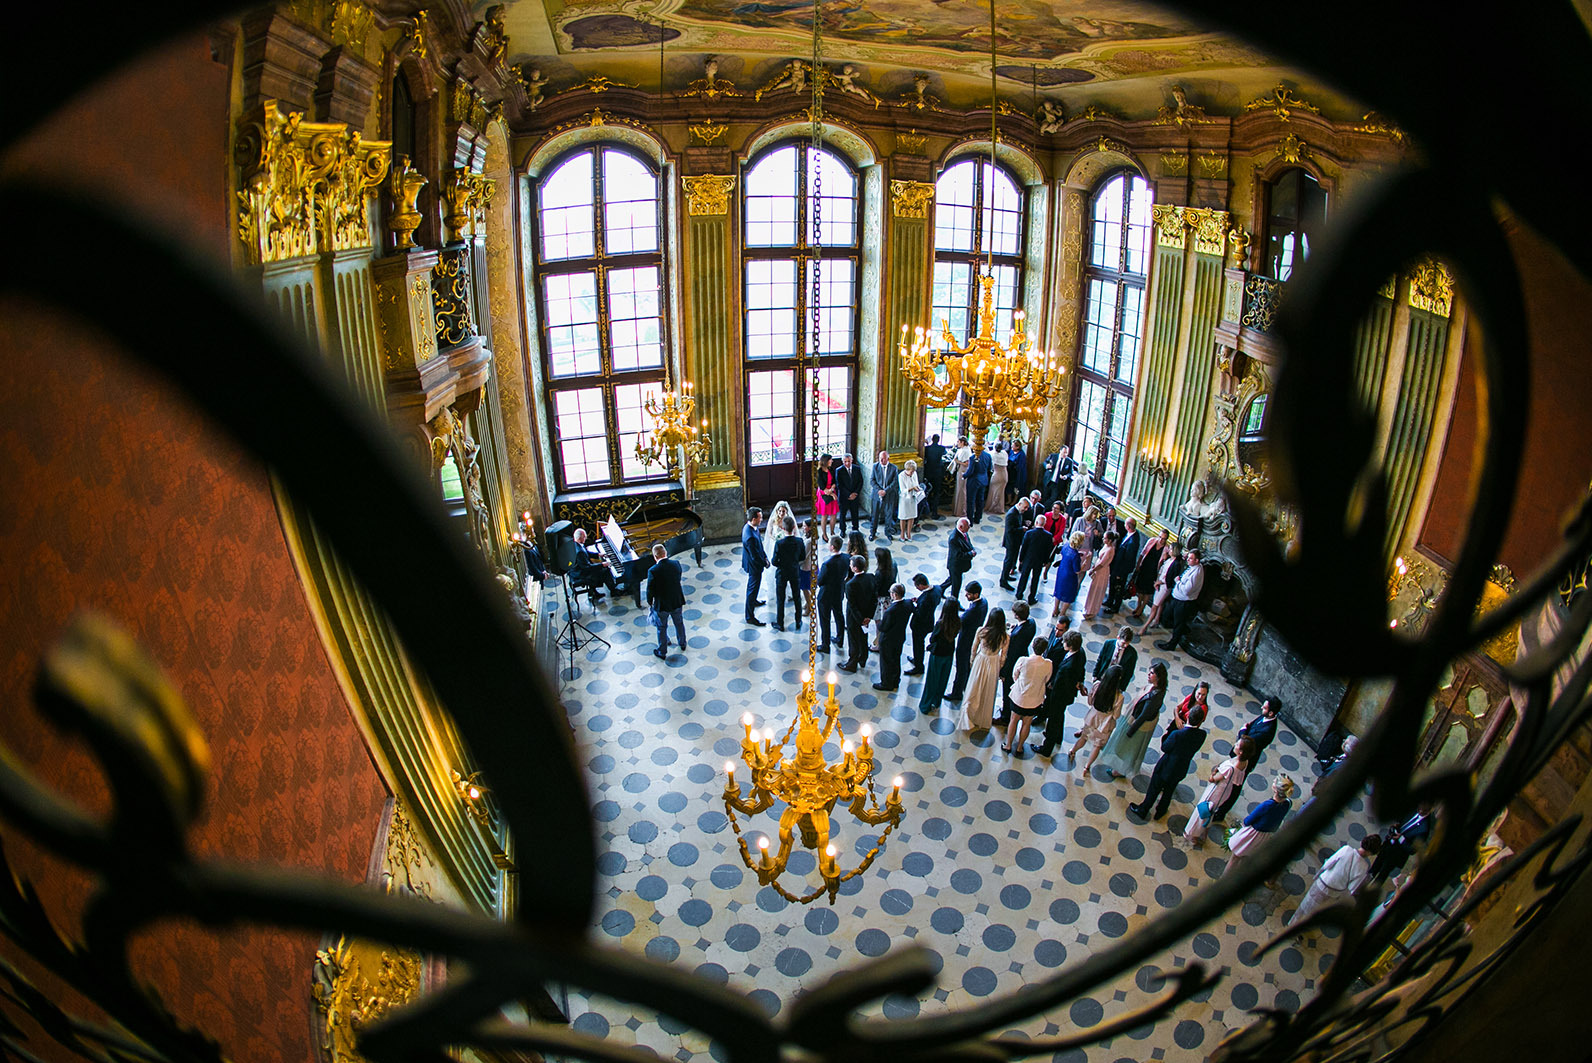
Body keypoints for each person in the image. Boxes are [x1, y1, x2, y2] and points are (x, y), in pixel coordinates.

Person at [1289, 835, 1382, 928]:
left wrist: (1318, 874)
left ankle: (1292, 925)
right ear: (1371, 853)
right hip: (1334, 892)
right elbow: (1352, 888)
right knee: (1317, 912)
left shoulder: (1346, 849)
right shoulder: (1364, 867)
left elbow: (1329, 863)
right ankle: (1304, 927)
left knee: (1306, 905)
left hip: (1323, 882)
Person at [1129, 713, 1209, 821]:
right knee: (1169, 790)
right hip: (1181, 768)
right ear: (1200, 722)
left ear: (1188, 717)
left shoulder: (1177, 734)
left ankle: (1143, 810)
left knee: (1154, 788)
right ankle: (1161, 811)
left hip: (1166, 766)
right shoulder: (1202, 734)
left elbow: (1165, 747)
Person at [1097, 662, 1169, 779]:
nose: (1148, 675)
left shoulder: (1156, 695)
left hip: (1138, 725)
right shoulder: (1155, 688)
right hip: (1134, 717)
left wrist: (1131, 730)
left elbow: (1144, 715)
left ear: (1159, 677)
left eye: (1152, 673)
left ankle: (1121, 771)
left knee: (1129, 747)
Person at [1185, 737, 1257, 844]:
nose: (1235, 745)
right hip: (1226, 791)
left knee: (1203, 810)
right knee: (1211, 812)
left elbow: (1213, 779)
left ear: (1241, 752)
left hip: (1216, 790)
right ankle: (1204, 832)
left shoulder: (1230, 768)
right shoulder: (1245, 762)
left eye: (1237, 745)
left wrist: (1213, 773)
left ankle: (1192, 833)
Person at [1223, 775, 1296, 877]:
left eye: (1274, 782)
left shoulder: (1267, 805)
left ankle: (1224, 879)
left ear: (1275, 789)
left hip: (1253, 834)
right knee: (1246, 857)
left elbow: (1249, 820)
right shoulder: (1288, 803)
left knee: (1235, 857)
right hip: (1266, 835)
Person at [1032, 629, 1087, 757]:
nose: (1062, 644)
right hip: (1064, 693)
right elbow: (1081, 670)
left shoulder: (1069, 666)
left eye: (1064, 642)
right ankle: (1058, 737)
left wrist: (1051, 687)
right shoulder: (1080, 652)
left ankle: (1046, 748)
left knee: (1053, 720)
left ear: (1070, 645)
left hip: (1060, 695)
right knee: (1059, 716)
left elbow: (1063, 684)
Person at [1066, 661, 1127, 773]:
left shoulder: (1097, 685)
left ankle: (1072, 751)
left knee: (1084, 737)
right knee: (1097, 746)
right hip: (1105, 725)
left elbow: (1090, 702)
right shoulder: (1119, 697)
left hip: (1092, 719)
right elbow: (1116, 715)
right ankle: (1087, 767)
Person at [957, 605, 1007, 731]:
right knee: (988, 692)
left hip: (981, 660)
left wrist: (972, 662)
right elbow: (1003, 657)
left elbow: (974, 649)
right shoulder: (1005, 636)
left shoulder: (982, 631)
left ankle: (969, 715)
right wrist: (999, 667)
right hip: (993, 662)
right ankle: (983, 719)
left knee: (973, 688)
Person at [1002, 636, 1053, 755]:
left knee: (1013, 720)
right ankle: (1020, 747)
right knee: (1027, 723)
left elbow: (1015, 675)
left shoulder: (1023, 660)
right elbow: (1047, 679)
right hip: (1035, 699)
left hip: (1019, 697)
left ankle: (1008, 745)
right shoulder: (1048, 664)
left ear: (1033, 646)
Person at [996, 600, 1036, 727]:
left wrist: (1003, 672)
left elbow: (1011, 656)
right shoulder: (1031, 623)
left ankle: (1005, 717)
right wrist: (1014, 628)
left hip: (1014, 663)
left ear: (1017, 615)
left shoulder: (1016, 636)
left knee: (1007, 691)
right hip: (1023, 654)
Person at [917, 601, 961, 714]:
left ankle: (925, 705)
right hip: (949, 653)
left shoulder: (940, 624)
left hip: (937, 654)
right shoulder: (958, 621)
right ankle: (936, 702)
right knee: (943, 679)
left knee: (932, 681)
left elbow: (933, 639)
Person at [1158, 548, 1205, 651]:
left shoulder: (1196, 573)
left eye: (1190, 558)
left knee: (1178, 624)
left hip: (1184, 602)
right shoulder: (1192, 567)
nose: (1188, 560)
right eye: (1188, 557)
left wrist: (1178, 581)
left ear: (1197, 561)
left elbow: (1187, 590)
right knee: (1167, 615)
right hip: (1177, 598)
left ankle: (1172, 644)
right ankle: (1184, 629)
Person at [645, 543, 687, 659]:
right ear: (665, 553)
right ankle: (682, 643)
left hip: (662, 604)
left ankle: (662, 651)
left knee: (661, 628)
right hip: (676, 600)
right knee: (679, 623)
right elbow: (677, 579)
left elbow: (650, 589)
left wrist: (650, 602)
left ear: (655, 557)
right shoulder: (676, 564)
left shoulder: (653, 571)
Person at [948, 581, 988, 701]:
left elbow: (960, 623)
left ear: (976, 595)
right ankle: (966, 685)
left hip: (965, 641)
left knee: (961, 667)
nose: (966, 596)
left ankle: (957, 692)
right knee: (967, 665)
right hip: (973, 637)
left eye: (969, 594)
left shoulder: (972, 611)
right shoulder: (984, 602)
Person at [839, 555, 876, 673]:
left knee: (853, 639)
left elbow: (853, 605)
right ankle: (863, 659)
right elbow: (874, 599)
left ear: (855, 568)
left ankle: (852, 663)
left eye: (851, 565)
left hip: (854, 618)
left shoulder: (850, 584)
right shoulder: (871, 577)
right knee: (863, 637)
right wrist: (868, 617)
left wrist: (860, 619)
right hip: (866, 615)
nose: (849, 566)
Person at [874, 583, 913, 692]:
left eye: (891, 592)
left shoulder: (890, 611)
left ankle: (886, 683)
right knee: (896, 659)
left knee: (886, 662)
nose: (890, 594)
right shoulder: (908, 604)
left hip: (888, 640)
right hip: (899, 637)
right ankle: (896, 680)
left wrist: (879, 623)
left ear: (895, 595)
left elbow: (883, 627)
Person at [771, 516, 806, 632]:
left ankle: (780, 623)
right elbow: (802, 557)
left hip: (782, 573)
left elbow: (774, 561)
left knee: (780, 599)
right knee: (797, 597)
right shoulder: (799, 541)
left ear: (783, 528)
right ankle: (798, 621)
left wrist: (782, 564)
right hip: (794, 571)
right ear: (794, 527)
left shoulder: (779, 543)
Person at [1138, 543, 1180, 636]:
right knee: (1160, 603)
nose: (1168, 550)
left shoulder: (1176, 564)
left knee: (1154, 606)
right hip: (1159, 584)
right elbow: (1162, 571)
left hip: (1165, 587)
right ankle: (1156, 620)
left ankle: (1144, 627)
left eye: (1170, 549)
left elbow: (1170, 579)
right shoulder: (1169, 560)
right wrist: (1157, 581)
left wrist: (1159, 582)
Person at [816, 535, 849, 654]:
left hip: (826, 595)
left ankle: (825, 645)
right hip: (838, 591)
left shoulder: (827, 564)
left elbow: (820, 581)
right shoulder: (846, 558)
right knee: (839, 615)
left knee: (825, 619)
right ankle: (840, 639)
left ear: (832, 547)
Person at [905, 573, 942, 675]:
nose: (916, 588)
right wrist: (919, 602)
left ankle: (918, 666)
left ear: (921, 585)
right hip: (929, 622)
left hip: (920, 626)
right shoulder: (937, 589)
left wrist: (912, 606)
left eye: (917, 586)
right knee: (919, 645)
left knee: (918, 645)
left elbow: (920, 614)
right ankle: (917, 660)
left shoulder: (926, 599)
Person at [1129, 529, 1169, 620]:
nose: (1161, 540)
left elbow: (1164, 564)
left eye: (1164, 539)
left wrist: (1165, 559)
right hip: (1144, 568)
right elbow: (1142, 553)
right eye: (1160, 537)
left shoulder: (1166, 549)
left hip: (1153, 572)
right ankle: (1138, 605)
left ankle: (1142, 608)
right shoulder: (1151, 541)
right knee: (1140, 588)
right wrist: (1138, 565)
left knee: (1148, 591)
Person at [569, 527, 617, 602]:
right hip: (580, 573)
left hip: (578, 569)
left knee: (601, 567)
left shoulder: (575, 544)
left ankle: (594, 592)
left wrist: (598, 555)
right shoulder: (579, 552)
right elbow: (587, 568)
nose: (585, 538)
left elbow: (586, 553)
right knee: (605, 571)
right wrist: (602, 565)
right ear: (580, 538)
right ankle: (614, 591)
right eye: (584, 537)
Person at [1107, 517, 1143, 612]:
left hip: (1121, 570)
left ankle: (1115, 607)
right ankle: (1110, 601)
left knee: (1118, 588)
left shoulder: (1132, 542)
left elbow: (1128, 559)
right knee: (1112, 584)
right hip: (1117, 566)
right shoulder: (1131, 534)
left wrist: (1120, 574)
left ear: (1128, 526)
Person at [1081, 530, 1117, 620]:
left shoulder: (1110, 550)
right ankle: (1088, 608)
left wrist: (1093, 570)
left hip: (1102, 571)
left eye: (1104, 538)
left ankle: (1092, 611)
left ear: (1109, 540)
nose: (1103, 539)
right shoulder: (1106, 546)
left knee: (1096, 591)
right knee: (1092, 589)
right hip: (1098, 569)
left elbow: (1102, 563)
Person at [1015, 519, 1053, 604]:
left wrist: (1021, 559)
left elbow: (1024, 547)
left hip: (1028, 559)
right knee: (1035, 579)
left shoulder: (1029, 533)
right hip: (1039, 561)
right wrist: (1045, 561)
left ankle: (1019, 594)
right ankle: (1031, 598)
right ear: (1044, 524)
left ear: (1036, 523)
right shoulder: (1048, 536)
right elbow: (1048, 550)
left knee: (1024, 577)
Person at [741, 508, 768, 626]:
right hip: (754, 566)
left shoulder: (752, 528)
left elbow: (759, 546)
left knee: (754, 588)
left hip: (755, 563)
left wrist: (765, 556)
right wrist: (764, 563)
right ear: (753, 519)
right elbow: (754, 556)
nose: (761, 519)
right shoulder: (749, 536)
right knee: (752, 589)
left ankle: (754, 601)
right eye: (760, 517)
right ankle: (749, 616)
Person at [1051, 530, 1084, 624]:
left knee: (1059, 591)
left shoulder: (1066, 546)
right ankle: (1062, 613)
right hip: (1070, 576)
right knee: (1068, 595)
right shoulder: (1075, 556)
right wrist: (1084, 562)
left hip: (1062, 571)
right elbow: (1077, 571)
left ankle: (1055, 610)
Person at [999, 497, 1032, 589]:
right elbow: (1010, 530)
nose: (1026, 510)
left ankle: (1006, 576)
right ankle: (1003, 580)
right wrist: (1022, 529)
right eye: (1025, 507)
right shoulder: (1011, 514)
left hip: (1016, 541)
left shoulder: (1019, 512)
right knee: (1008, 561)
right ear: (1020, 504)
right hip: (1011, 542)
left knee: (1012, 560)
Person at [943, 517, 976, 602]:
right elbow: (958, 555)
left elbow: (968, 543)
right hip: (955, 566)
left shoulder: (964, 532)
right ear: (961, 527)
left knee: (951, 580)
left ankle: (940, 589)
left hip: (960, 565)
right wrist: (970, 554)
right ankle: (954, 602)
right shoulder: (954, 539)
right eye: (968, 526)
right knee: (956, 585)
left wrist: (972, 549)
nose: (969, 527)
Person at [869, 450, 899, 542]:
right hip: (876, 495)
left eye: (883, 459)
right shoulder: (875, 466)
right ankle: (872, 533)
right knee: (874, 515)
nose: (881, 461)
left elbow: (894, 482)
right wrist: (879, 490)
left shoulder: (894, 468)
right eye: (880, 459)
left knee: (888, 515)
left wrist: (885, 491)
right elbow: (872, 480)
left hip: (889, 495)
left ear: (888, 459)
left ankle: (888, 532)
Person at [870, 545, 895, 649]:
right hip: (890, 597)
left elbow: (876, 588)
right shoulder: (893, 565)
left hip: (881, 599)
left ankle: (879, 644)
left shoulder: (880, 573)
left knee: (879, 622)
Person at [835, 452, 865, 533]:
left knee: (855, 513)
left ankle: (855, 528)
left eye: (849, 461)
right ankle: (842, 530)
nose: (847, 463)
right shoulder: (839, 470)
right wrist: (848, 494)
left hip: (855, 496)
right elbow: (839, 485)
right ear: (842, 461)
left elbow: (860, 482)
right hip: (844, 497)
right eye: (845, 461)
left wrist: (855, 493)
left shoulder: (857, 469)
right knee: (842, 515)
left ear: (852, 460)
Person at [815, 453, 839, 540]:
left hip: (831, 490)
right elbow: (822, 487)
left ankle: (832, 532)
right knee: (824, 515)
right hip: (823, 494)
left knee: (834, 514)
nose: (832, 461)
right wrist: (832, 494)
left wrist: (832, 489)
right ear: (826, 461)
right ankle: (824, 534)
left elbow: (834, 481)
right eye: (830, 460)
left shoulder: (831, 469)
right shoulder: (819, 472)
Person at [922, 434, 947, 519]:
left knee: (926, 492)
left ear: (932, 440)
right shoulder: (942, 448)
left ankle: (925, 511)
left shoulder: (927, 448)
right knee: (936, 493)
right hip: (937, 473)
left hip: (928, 472)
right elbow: (945, 454)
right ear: (938, 440)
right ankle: (934, 512)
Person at [898, 459, 923, 541]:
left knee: (911, 517)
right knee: (903, 516)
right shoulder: (901, 476)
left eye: (913, 471)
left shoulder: (914, 473)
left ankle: (908, 534)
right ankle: (902, 534)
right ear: (907, 469)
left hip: (913, 497)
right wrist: (912, 488)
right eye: (911, 471)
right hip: (904, 499)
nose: (912, 473)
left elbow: (916, 483)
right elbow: (902, 490)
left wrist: (918, 489)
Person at [985, 440, 1008, 516]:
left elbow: (987, 455)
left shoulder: (992, 454)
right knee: (1001, 493)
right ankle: (999, 508)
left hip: (996, 474)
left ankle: (991, 507)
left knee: (992, 492)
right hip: (1004, 474)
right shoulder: (1004, 453)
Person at [951, 437, 972, 518]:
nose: (957, 443)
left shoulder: (966, 451)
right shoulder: (962, 449)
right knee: (959, 489)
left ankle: (961, 510)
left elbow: (967, 463)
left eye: (958, 441)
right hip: (960, 470)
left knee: (962, 490)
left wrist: (957, 461)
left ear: (962, 442)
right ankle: (957, 509)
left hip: (963, 470)